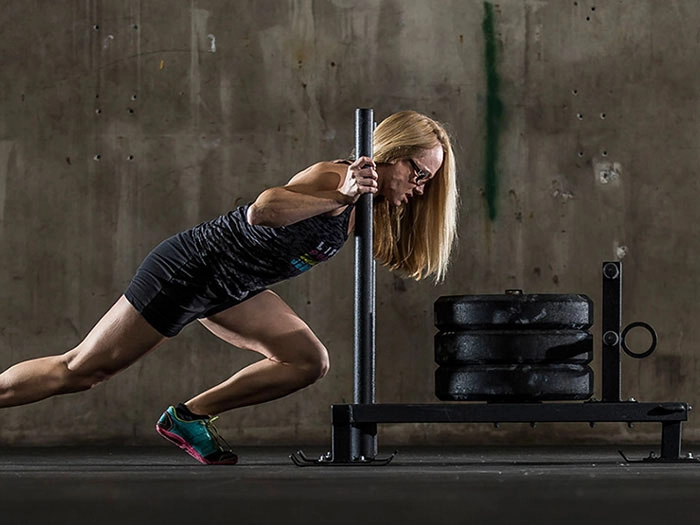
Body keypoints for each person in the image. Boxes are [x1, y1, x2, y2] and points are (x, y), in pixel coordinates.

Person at [0, 110, 459, 464]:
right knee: (82, 370)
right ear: (390, 154)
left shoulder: (365, 207)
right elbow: (262, 210)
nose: (420, 188)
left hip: (237, 286)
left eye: (428, 181)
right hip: (190, 269)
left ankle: (188, 417)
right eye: (418, 173)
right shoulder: (337, 180)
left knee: (306, 362)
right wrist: (341, 195)